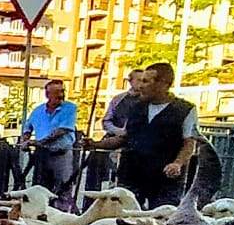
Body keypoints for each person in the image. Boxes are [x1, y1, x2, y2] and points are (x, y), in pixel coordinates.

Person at [84, 62, 198, 208]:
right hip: (131, 174)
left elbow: (189, 143)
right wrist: (95, 144)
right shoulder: (136, 107)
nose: (140, 86)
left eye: (145, 81)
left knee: (160, 217)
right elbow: (124, 138)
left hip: (165, 179)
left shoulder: (185, 110)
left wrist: (177, 163)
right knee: (124, 216)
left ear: (163, 84)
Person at [18, 79, 78, 204]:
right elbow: (27, 127)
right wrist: (25, 139)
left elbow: (62, 130)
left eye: (62, 91)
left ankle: (61, 212)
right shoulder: (38, 111)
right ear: (48, 94)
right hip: (42, 155)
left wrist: (39, 142)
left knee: (63, 188)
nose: (61, 95)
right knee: (40, 188)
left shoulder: (69, 108)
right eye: (57, 92)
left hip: (61, 154)